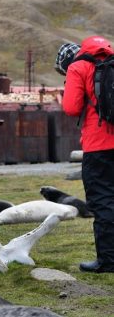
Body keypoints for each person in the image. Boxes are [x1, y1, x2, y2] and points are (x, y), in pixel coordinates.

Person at [61, 35, 114, 273]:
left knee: (103, 202)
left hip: (98, 145)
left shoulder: (79, 66)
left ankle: (108, 260)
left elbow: (71, 108)